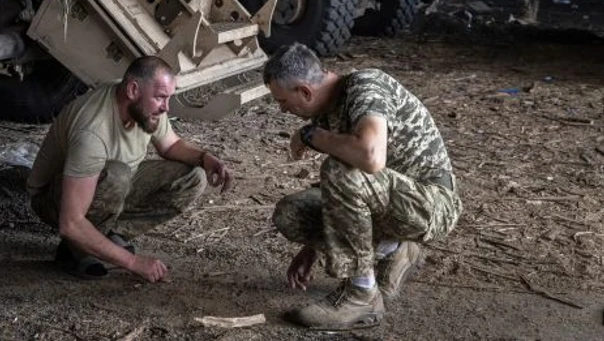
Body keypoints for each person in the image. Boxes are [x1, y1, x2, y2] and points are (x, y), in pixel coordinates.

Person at [263, 43, 462, 330]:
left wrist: (312, 136)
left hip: (432, 203)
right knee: (292, 212)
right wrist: (313, 248)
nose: (282, 110)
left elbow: (370, 157)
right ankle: (395, 248)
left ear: (305, 91)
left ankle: (361, 294)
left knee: (338, 169)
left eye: (282, 101)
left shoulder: (365, 86)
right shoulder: (328, 110)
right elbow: (345, 192)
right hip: (389, 199)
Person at [28, 56, 231, 282]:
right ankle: (75, 250)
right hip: (54, 199)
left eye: (168, 98)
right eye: (161, 98)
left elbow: (171, 145)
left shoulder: (145, 107)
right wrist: (133, 263)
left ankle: (108, 236)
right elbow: (70, 223)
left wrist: (205, 158)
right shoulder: (92, 132)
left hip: (113, 182)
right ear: (133, 90)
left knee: (192, 176)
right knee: (117, 176)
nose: (166, 107)